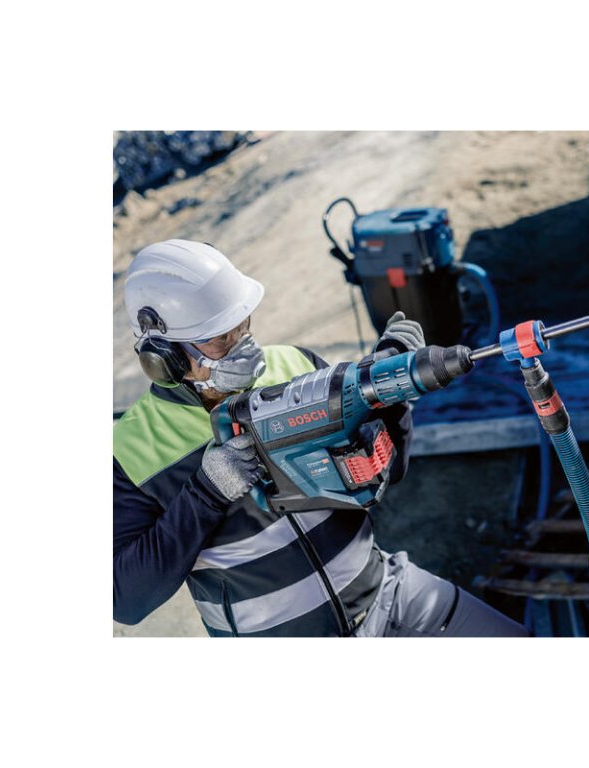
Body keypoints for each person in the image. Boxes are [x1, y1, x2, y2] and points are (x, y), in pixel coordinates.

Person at [113, 239, 528, 637]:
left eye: (243, 326)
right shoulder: (131, 452)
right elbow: (125, 600)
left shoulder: (295, 365)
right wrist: (207, 494)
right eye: (221, 338)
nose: (243, 346)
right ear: (162, 356)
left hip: (387, 595)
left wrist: (389, 397)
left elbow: (388, 471)